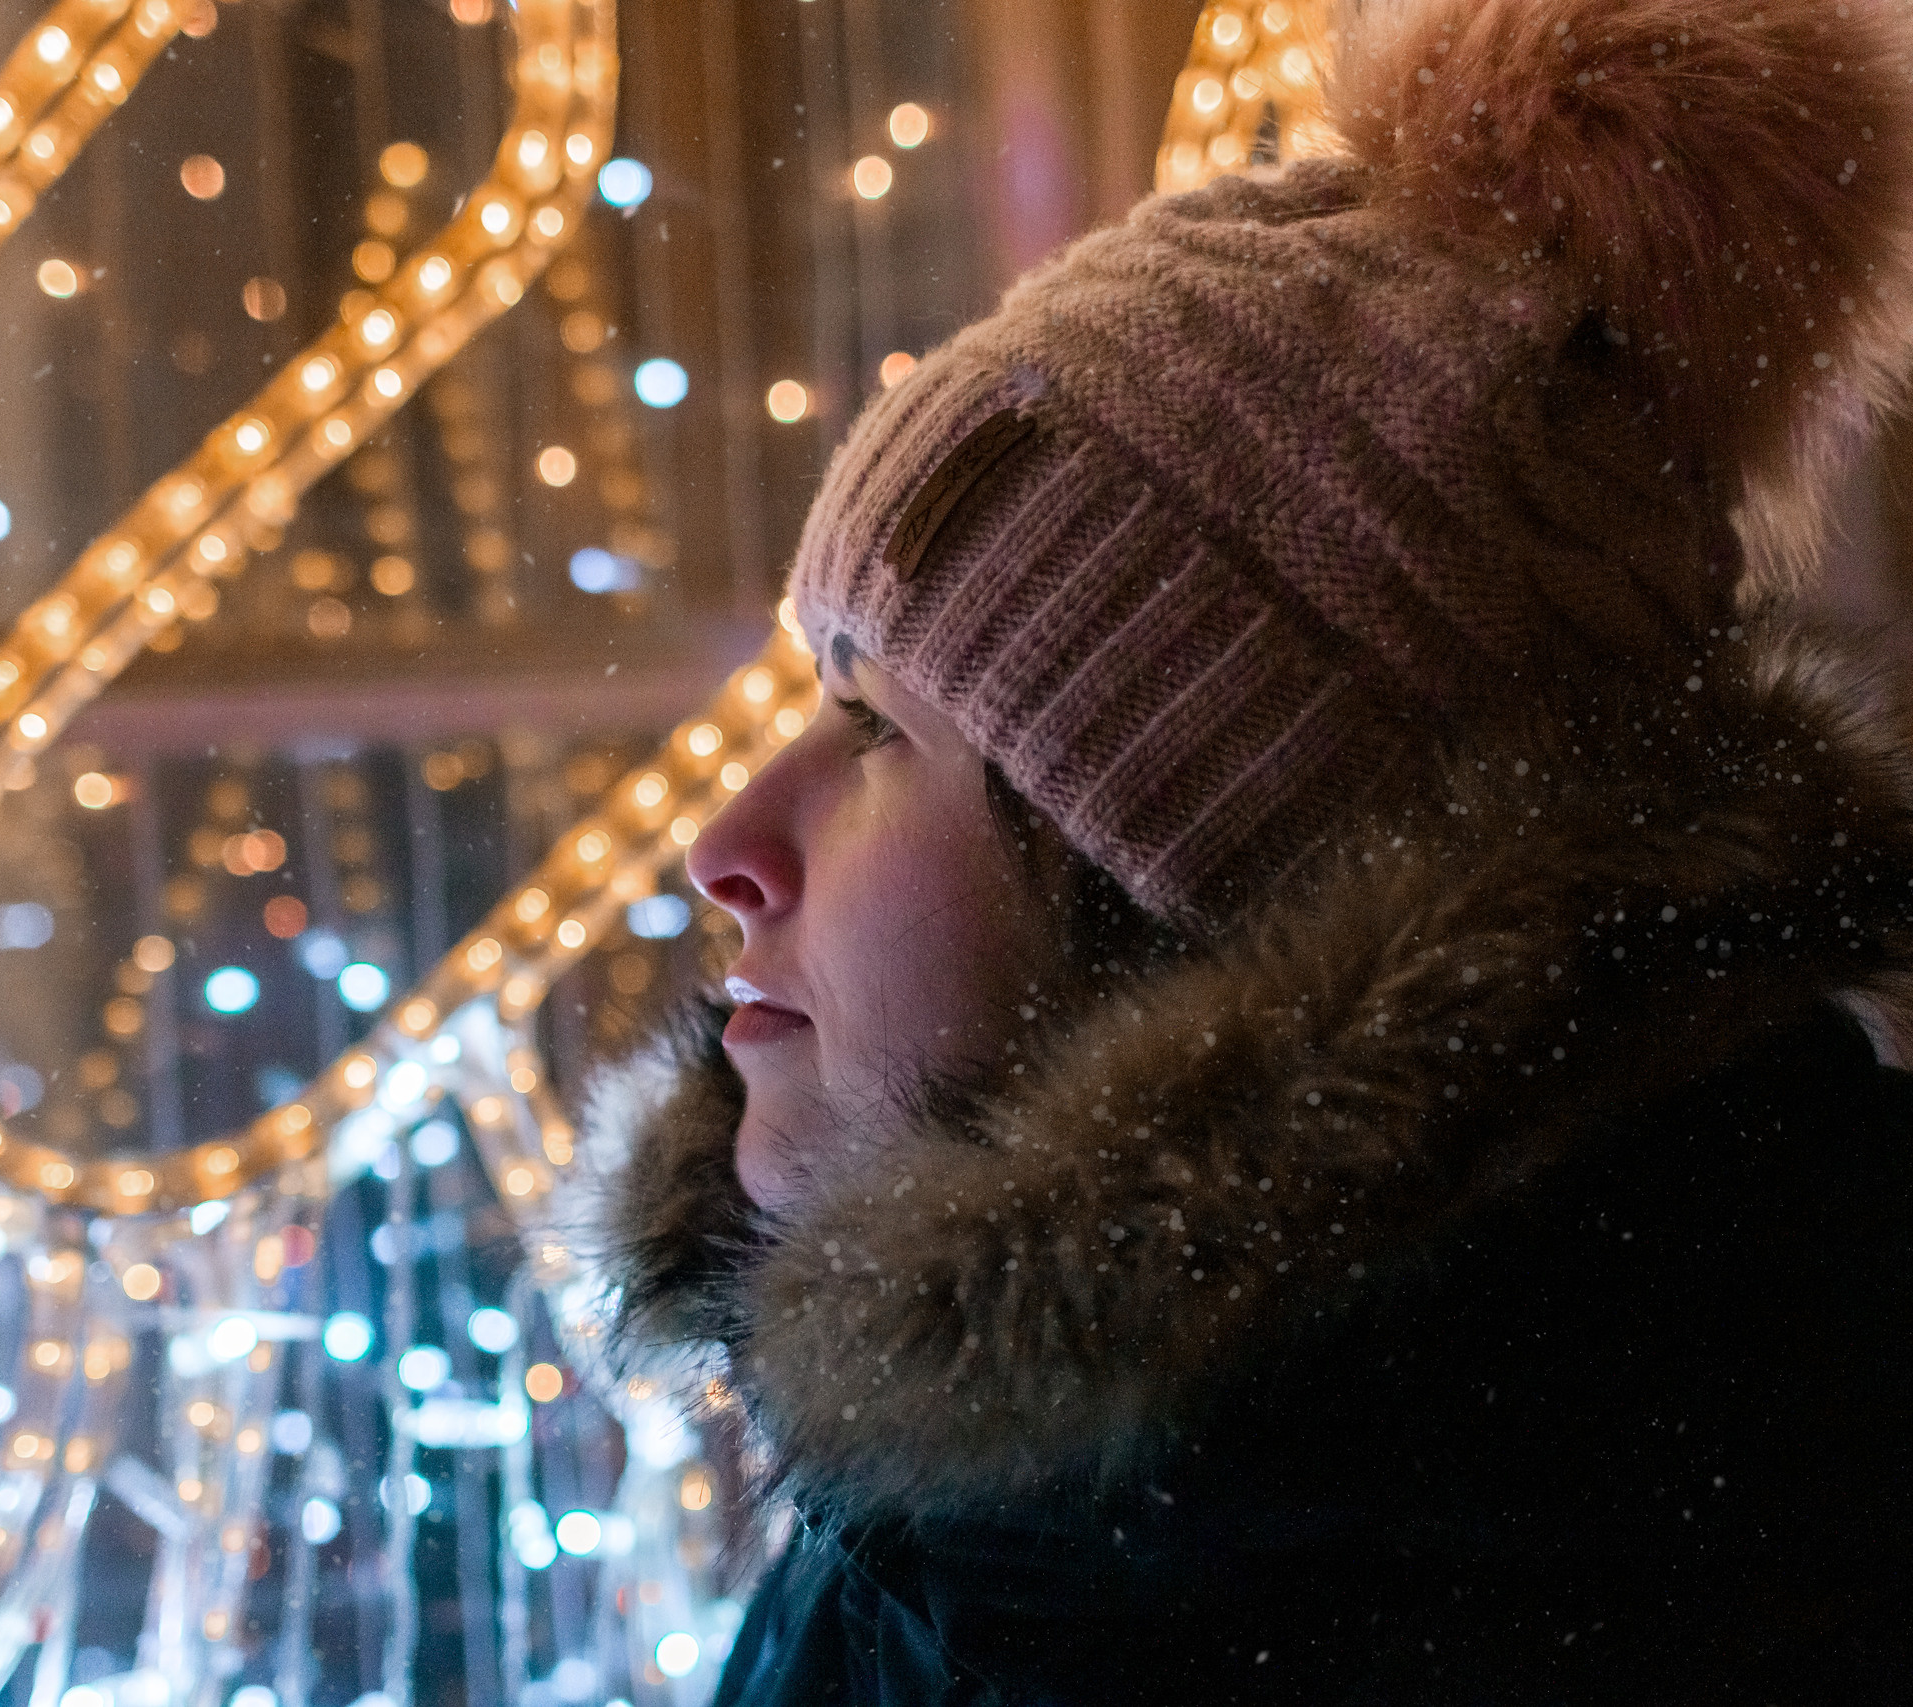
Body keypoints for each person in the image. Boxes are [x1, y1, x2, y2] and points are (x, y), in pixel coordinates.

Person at [580, 0, 1913, 1698]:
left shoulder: (1725, 1580)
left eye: (878, 733)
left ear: (1213, 884)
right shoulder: (977, 1529)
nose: (725, 846)